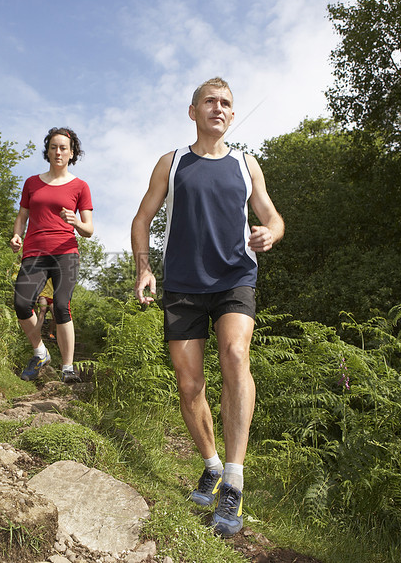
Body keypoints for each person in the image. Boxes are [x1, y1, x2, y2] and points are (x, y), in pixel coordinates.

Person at [130, 77, 284, 537]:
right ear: (192, 111)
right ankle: (212, 464)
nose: (219, 108)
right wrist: (143, 269)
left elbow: (272, 216)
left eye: (226, 104)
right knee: (189, 383)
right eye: (210, 102)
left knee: (236, 354)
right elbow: (142, 219)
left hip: (236, 277)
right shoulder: (171, 163)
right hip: (181, 283)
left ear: (232, 115)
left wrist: (270, 233)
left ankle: (234, 479)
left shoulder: (246, 163)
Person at [10, 127, 94, 383]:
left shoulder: (80, 186)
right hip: (34, 251)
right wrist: (17, 235)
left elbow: (89, 229)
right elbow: (22, 215)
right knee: (22, 303)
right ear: (47, 151)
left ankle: (67, 368)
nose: (58, 152)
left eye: (63, 148)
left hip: (65, 252)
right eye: (53, 147)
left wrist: (76, 223)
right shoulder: (32, 183)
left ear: (71, 153)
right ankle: (40, 352)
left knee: (61, 306)